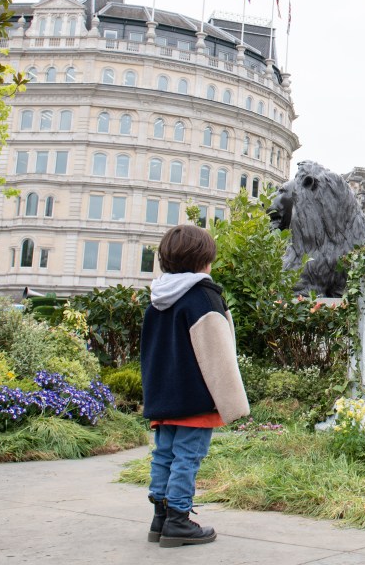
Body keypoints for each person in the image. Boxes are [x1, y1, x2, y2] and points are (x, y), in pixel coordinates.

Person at [140, 224, 249, 548]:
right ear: (204, 261)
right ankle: (179, 520)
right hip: (196, 395)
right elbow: (218, 354)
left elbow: (149, 350)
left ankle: (160, 519)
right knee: (188, 456)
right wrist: (230, 401)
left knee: (164, 455)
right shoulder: (203, 297)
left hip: (164, 395)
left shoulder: (157, 299)